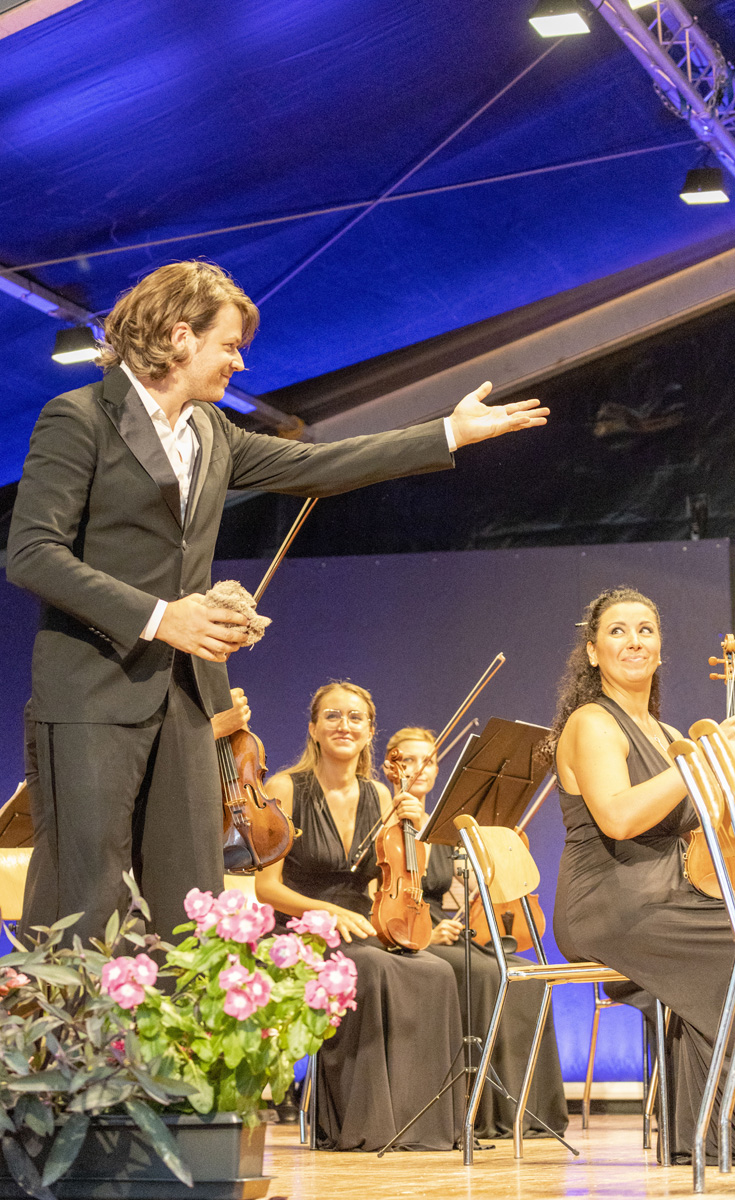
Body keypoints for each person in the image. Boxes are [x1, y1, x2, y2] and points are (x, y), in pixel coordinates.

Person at [6, 260, 549, 948]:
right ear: (179, 337)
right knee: (84, 897)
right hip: (91, 693)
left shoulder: (211, 431)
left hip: (186, 699)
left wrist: (448, 432)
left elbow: (318, 466)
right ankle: (70, 1024)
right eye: (229, 344)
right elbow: (33, 553)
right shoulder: (78, 418)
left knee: (188, 902)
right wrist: (163, 617)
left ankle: (176, 1023)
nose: (239, 362)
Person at [545, 586, 735, 1162]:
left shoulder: (669, 734)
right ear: (593, 651)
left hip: (670, 896)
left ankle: (706, 1136)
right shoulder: (591, 724)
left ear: (659, 647)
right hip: (609, 904)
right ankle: (709, 1132)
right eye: (617, 631)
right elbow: (619, 818)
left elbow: (708, 829)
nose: (634, 641)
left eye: (645, 630)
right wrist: (703, 759)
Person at [255, 682, 464, 1151]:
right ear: (313, 728)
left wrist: (413, 824)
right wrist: (327, 912)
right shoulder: (284, 788)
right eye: (332, 716)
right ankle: (364, 1122)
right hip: (300, 929)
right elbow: (267, 888)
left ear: (370, 731)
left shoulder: (380, 794)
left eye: (355, 718)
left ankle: (419, 1124)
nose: (343, 725)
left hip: (358, 926)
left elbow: (397, 875)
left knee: (436, 972)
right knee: (369, 967)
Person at [382, 726, 568, 1140]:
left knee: (525, 974)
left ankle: (527, 1110)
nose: (419, 769)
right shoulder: (387, 820)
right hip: (401, 931)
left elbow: (464, 886)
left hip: (446, 930)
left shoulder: (440, 826)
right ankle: (485, 1109)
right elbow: (377, 892)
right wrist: (430, 930)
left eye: (428, 761)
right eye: (408, 760)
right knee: (486, 973)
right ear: (391, 767)